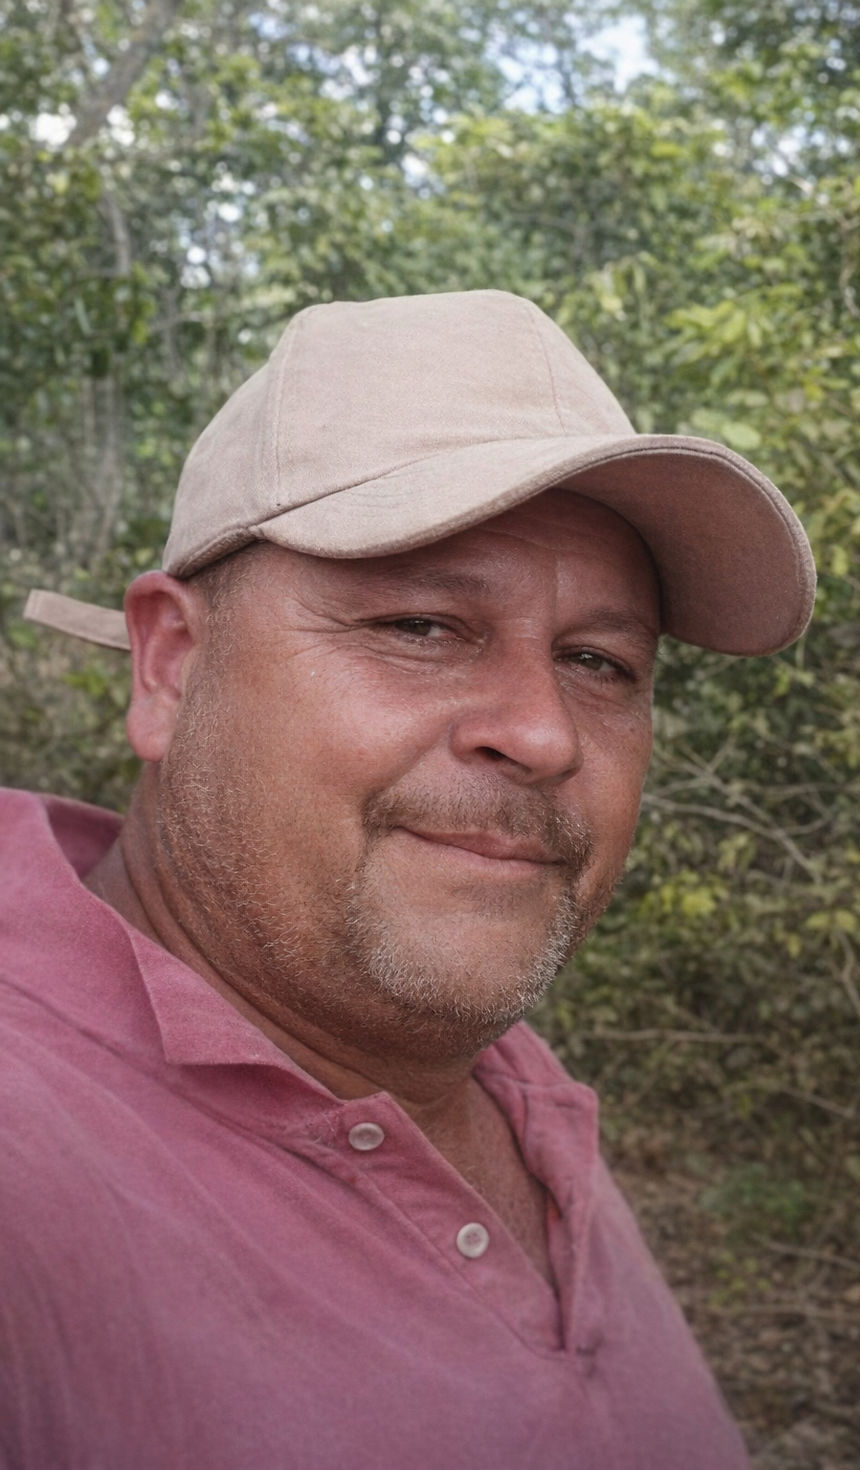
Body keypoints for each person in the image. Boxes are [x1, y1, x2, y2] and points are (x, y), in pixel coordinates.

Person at [3, 289, 815, 1469]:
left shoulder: (491, 1074)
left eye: (598, 661)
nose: (542, 734)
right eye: (420, 627)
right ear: (172, 667)